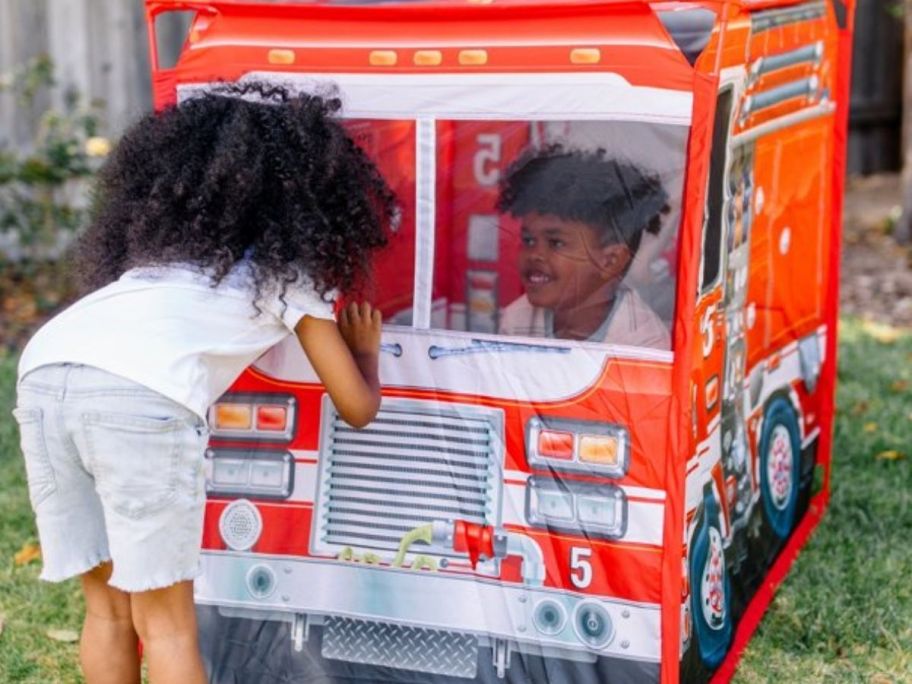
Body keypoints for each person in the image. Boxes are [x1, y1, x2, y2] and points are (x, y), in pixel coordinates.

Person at [11, 82, 396, 684]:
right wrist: (366, 353)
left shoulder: (154, 263)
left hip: (45, 369)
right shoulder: (287, 278)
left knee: (107, 609)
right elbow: (357, 406)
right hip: (139, 392)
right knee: (167, 624)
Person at [497, 145, 671, 349]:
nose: (535, 254)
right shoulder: (516, 320)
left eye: (556, 243)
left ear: (610, 261)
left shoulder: (642, 342)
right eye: (528, 240)